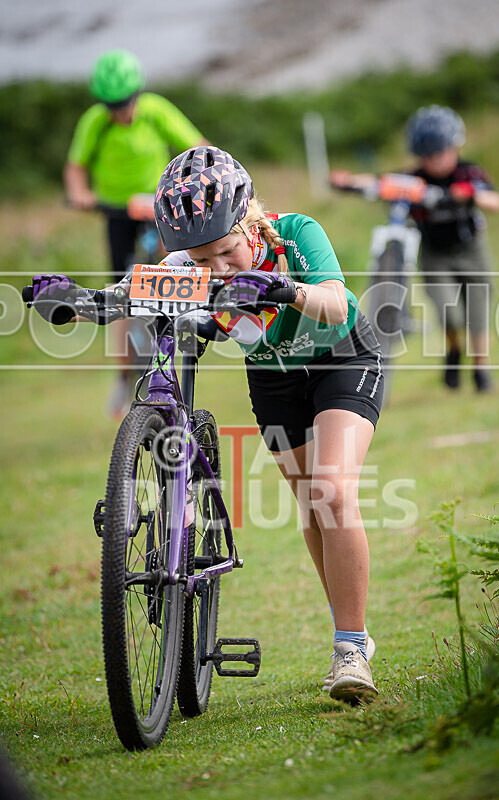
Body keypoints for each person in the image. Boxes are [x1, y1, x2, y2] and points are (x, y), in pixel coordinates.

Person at [30, 146, 384, 702]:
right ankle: (349, 629)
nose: (215, 269)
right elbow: (125, 299)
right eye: (198, 261)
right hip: (274, 379)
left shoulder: (296, 233)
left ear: (250, 223)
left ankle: (351, 649)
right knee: (312, 505)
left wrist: (282, 289)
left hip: (342, 358)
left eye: (225, 252)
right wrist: (75, 301)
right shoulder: (183, 268)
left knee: (333, 491)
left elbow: (337, 303)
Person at [64, 49, 208, 415]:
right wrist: (80, 194)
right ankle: (123, 377)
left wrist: (194, 184)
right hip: (116, 212)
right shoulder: (95, 122)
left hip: (158, 208)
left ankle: (180, 345)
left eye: (125, 103)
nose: (120, 111)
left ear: (137, 94)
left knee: (173, 275)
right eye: (112, 105)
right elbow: (76, 166)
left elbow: (198, 147)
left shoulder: (156, 111)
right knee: (119, 293)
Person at [331, 105, 499, 391]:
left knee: (478, 310)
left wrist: (470, 195)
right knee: (450, 313)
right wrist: (348, 182)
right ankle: (454, 352)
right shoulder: (415, 181)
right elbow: (381, 182)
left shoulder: (469, 173)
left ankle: (481, 370)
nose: (435, 160)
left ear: (453, 146)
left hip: (472, 249)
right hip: (435, 255)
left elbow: (496, 202)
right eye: (428, 155)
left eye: (440, 152)